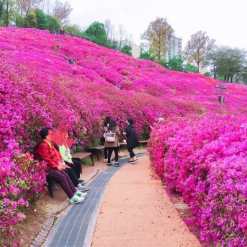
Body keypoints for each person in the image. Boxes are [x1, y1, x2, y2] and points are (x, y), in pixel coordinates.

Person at [34, 127, 86, 204]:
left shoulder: (50, 144)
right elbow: (46, 159)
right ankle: (72, 197)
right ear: (46, 136)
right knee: (62, 177)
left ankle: (75, 193)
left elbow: (56, 155)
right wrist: (57, 166)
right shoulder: (42, 145)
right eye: (51, 134)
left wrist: (60, 163)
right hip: (44, 168)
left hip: (51, 166)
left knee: (65, 174)